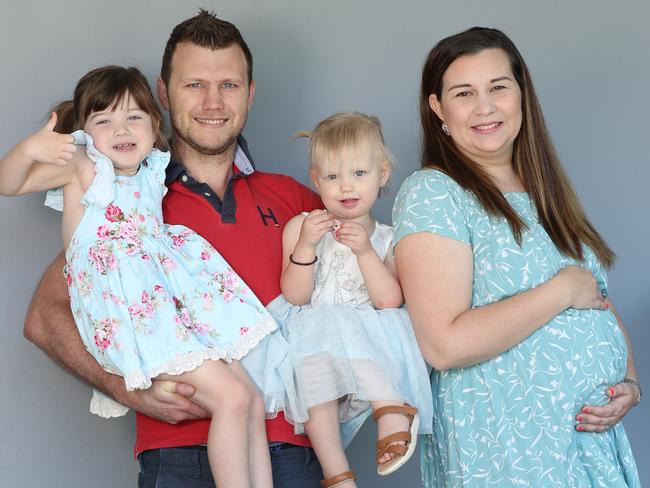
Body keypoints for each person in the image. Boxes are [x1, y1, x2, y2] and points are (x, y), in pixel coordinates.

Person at [21, 10, 325, 488]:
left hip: (295, 445)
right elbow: (45, 316)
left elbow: (369, 280)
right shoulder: (130, 198)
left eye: (229, 85)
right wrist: (126, 388)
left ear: (250, 92)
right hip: (179, 453)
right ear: (163, 93)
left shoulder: (294, 196)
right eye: (194, 85)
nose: (212, 101)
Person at [392, 27, 641, 487]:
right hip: (508, 449)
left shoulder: (548, 194)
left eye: (498, 88)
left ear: (521, 95)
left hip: (588, 446)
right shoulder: (435, 193)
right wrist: (560, 290)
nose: (485, 107)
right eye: (464, 93)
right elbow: (444, 345)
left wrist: (629, 385)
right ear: (438, 109)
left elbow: (597, 298)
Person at [259, 112, 432, 487]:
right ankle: (337, 474)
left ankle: (392, 410)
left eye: (359, 174)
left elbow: (389, 302)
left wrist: (367, 253)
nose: (346, 187)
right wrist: (306, 245)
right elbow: (295, 296)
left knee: (368, 333)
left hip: (368, 351)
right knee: (313, 396)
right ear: (315, 180)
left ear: (382, 175)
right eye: (333, 176)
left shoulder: (389, 238)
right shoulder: (301, 227)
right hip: (315, 348)